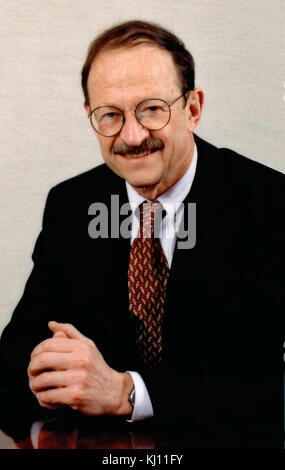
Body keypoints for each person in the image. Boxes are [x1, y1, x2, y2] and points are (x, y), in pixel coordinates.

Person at [0, 20, 284, 449]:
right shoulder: (73, 205)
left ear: (193, 108)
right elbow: (14, 361)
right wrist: (47, 370)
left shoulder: (269, 204)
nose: (132, 137)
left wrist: (124, 393)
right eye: (110, 115)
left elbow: (270, 389)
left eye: (152, 108)